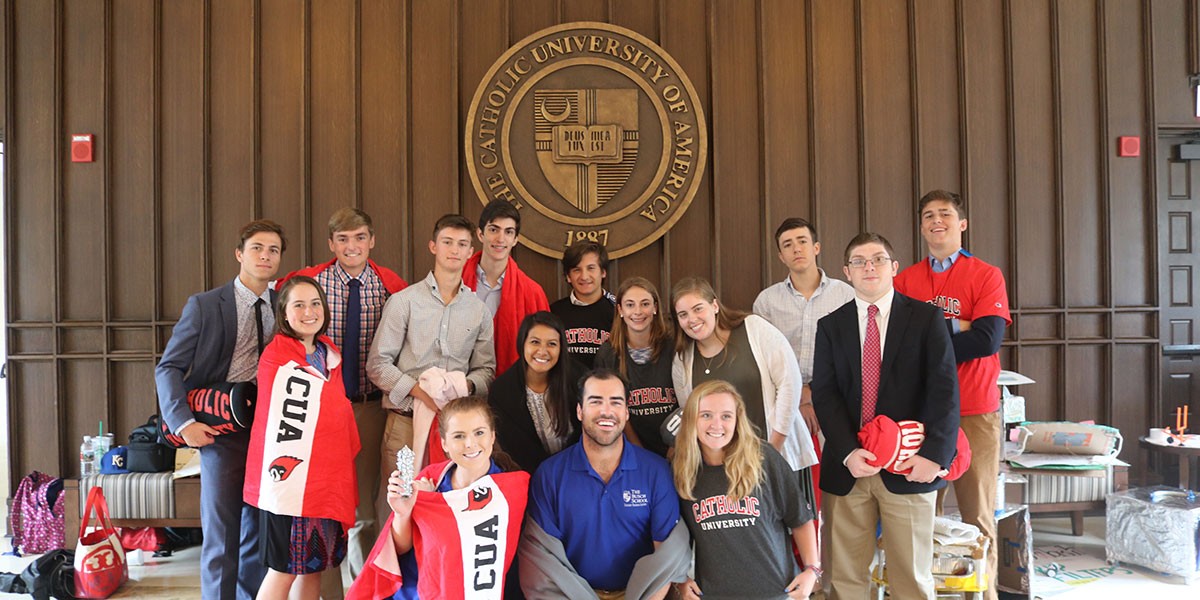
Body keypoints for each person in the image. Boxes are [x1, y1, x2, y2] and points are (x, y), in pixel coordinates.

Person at [811, 232, 960, 599]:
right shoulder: (831, 325)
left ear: (894, 268)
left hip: (909, 465)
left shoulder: (926, 319)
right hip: (849, 467)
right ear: (847, 272)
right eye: (859, 261)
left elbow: (944, 390)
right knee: (844, 580)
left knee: (911, 578)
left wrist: (935, 456)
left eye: (877, 259)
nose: (869, 267)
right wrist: (847, 451)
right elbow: (825, 394)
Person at [279, 207, 407, 593]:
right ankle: (328, 591)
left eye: (360, 237)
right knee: (323, 503)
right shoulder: (308, 283)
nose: (352, 246)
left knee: (366, 506)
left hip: (368, 406)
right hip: (319, 408)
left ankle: (362, 588)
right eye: (343, 239)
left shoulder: (391, 286)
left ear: (372, 240)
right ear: (331, 243)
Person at [155, 219, 284, 599]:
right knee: (221, 536)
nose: (265, 255)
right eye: (258, 248)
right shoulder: (207, 304)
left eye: (274, 250)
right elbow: (169, 367)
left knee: (259, 533)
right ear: (240, 254)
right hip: (219, 430)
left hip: (271, 432)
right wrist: (184, 423)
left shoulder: (286, 303)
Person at [894, 190, 1011, 600]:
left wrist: (932, 340)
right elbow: (898, 343)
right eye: (928, 215)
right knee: (922, 511)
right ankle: (927, 592)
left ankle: (985, 593)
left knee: (977, 512)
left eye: (945, 214)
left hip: (975, 408)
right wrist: (956, 325)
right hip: (922, 413)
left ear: (962, 224)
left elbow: (987, 339)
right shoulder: (905, 280)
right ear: (922, 226)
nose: (936, 221)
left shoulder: (985, 274)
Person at [366, 214, 496, 535]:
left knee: (448, 501)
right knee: (400, 501)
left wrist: (462, 385)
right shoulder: (404, 302)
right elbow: (377, 365)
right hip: (406, 427)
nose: (454, 250)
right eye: (448, 242)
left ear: (471, 252)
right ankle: (396, 579)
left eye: (462, 244)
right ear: (433, 246)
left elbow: (486, 370)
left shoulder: (478, 310)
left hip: (457, 432)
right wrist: (420, 392)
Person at [520, 369, 688, 599]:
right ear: (580, 411)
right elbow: (542, 563)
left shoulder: (656, 471)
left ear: (627, 413)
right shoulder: (550, 475)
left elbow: (666, 559)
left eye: (616, 402)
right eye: (595, 401)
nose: (606, 411)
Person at [245, 276, 361, 600]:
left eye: (314, 303)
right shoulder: (277, 356)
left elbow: (334, 414)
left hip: (324, 483)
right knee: (283, 570)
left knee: (313, 567)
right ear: (284, 313)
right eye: (298, 305)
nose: (309, 312)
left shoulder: (328, 355)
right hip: (288, 484)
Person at [346, 396, 530, 600]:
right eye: (459, 436)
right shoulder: (430, 481)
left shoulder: (513, 489)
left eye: (479, 433)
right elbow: (400, 549)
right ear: (444, 443)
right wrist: (403, 513)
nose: (470, 443)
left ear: (493, 436)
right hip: (422, 591)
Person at [673, 380, 820, 600]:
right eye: (706, 415)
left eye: (726, 416)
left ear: (737, 420)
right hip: (714, 594)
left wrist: (812, 570)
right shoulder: (682, 472)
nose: (716, 424)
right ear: (691, 419)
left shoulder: (763, 458)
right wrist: (680, 581)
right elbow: (674, 541)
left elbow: (799, 517)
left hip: (777, 593)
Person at [754, 217, 855, 509]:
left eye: (802, 241)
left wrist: (815, 393)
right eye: (788, 244)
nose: (796, 249)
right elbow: (764, 361)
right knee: (797, 489)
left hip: (837, 400)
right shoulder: (767, 302)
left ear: (816, 247)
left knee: (841, 484)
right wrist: (798, 396)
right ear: (780, 256)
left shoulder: (845, 294)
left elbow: (852, 355)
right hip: (786, 404)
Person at [671, 277, 817, 475]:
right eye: (683, 314)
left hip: (776, 456)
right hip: (724, 469)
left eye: (698, 309)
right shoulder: (683, 360)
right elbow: (691, 417)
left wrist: (774, 448)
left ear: (714, 305)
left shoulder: (753, 328)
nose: (692, 319)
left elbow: (790, 382)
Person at [461, 199, 550, 373]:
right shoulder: (454, 282)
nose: (500, 239)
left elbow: (545, 349)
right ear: (480, 234)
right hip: (459, 387)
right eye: (493, 230)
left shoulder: (532, 293)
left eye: (508, 232)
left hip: (510, 389)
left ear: (515, 239)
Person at [488, 311, 583, 472]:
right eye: (535, 342)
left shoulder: (580, 379)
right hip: (529, 476)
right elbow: (514, 449)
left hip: (576, 470)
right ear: (522, 343)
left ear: (561, 347)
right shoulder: (501, 392)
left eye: (552, 344)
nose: (542, 351)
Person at [595, 277, 678, 457]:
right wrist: (638, 451)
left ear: (655, 307)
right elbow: (612, 408)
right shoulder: (608, 353)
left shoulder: (673, 347)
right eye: (630, 305)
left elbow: (687, 402)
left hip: (677, 448)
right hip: (632, 450)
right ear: (620, 310)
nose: (638, 311)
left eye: (645, 304)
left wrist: (676, 445)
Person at [550, 240, 616, 369]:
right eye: (577, 270)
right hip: (566, 387)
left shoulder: (618, 310)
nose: (584, 276)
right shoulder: (554, 312)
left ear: (603, 272)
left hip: (606, 386)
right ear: (568, 276)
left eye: (591, 268)